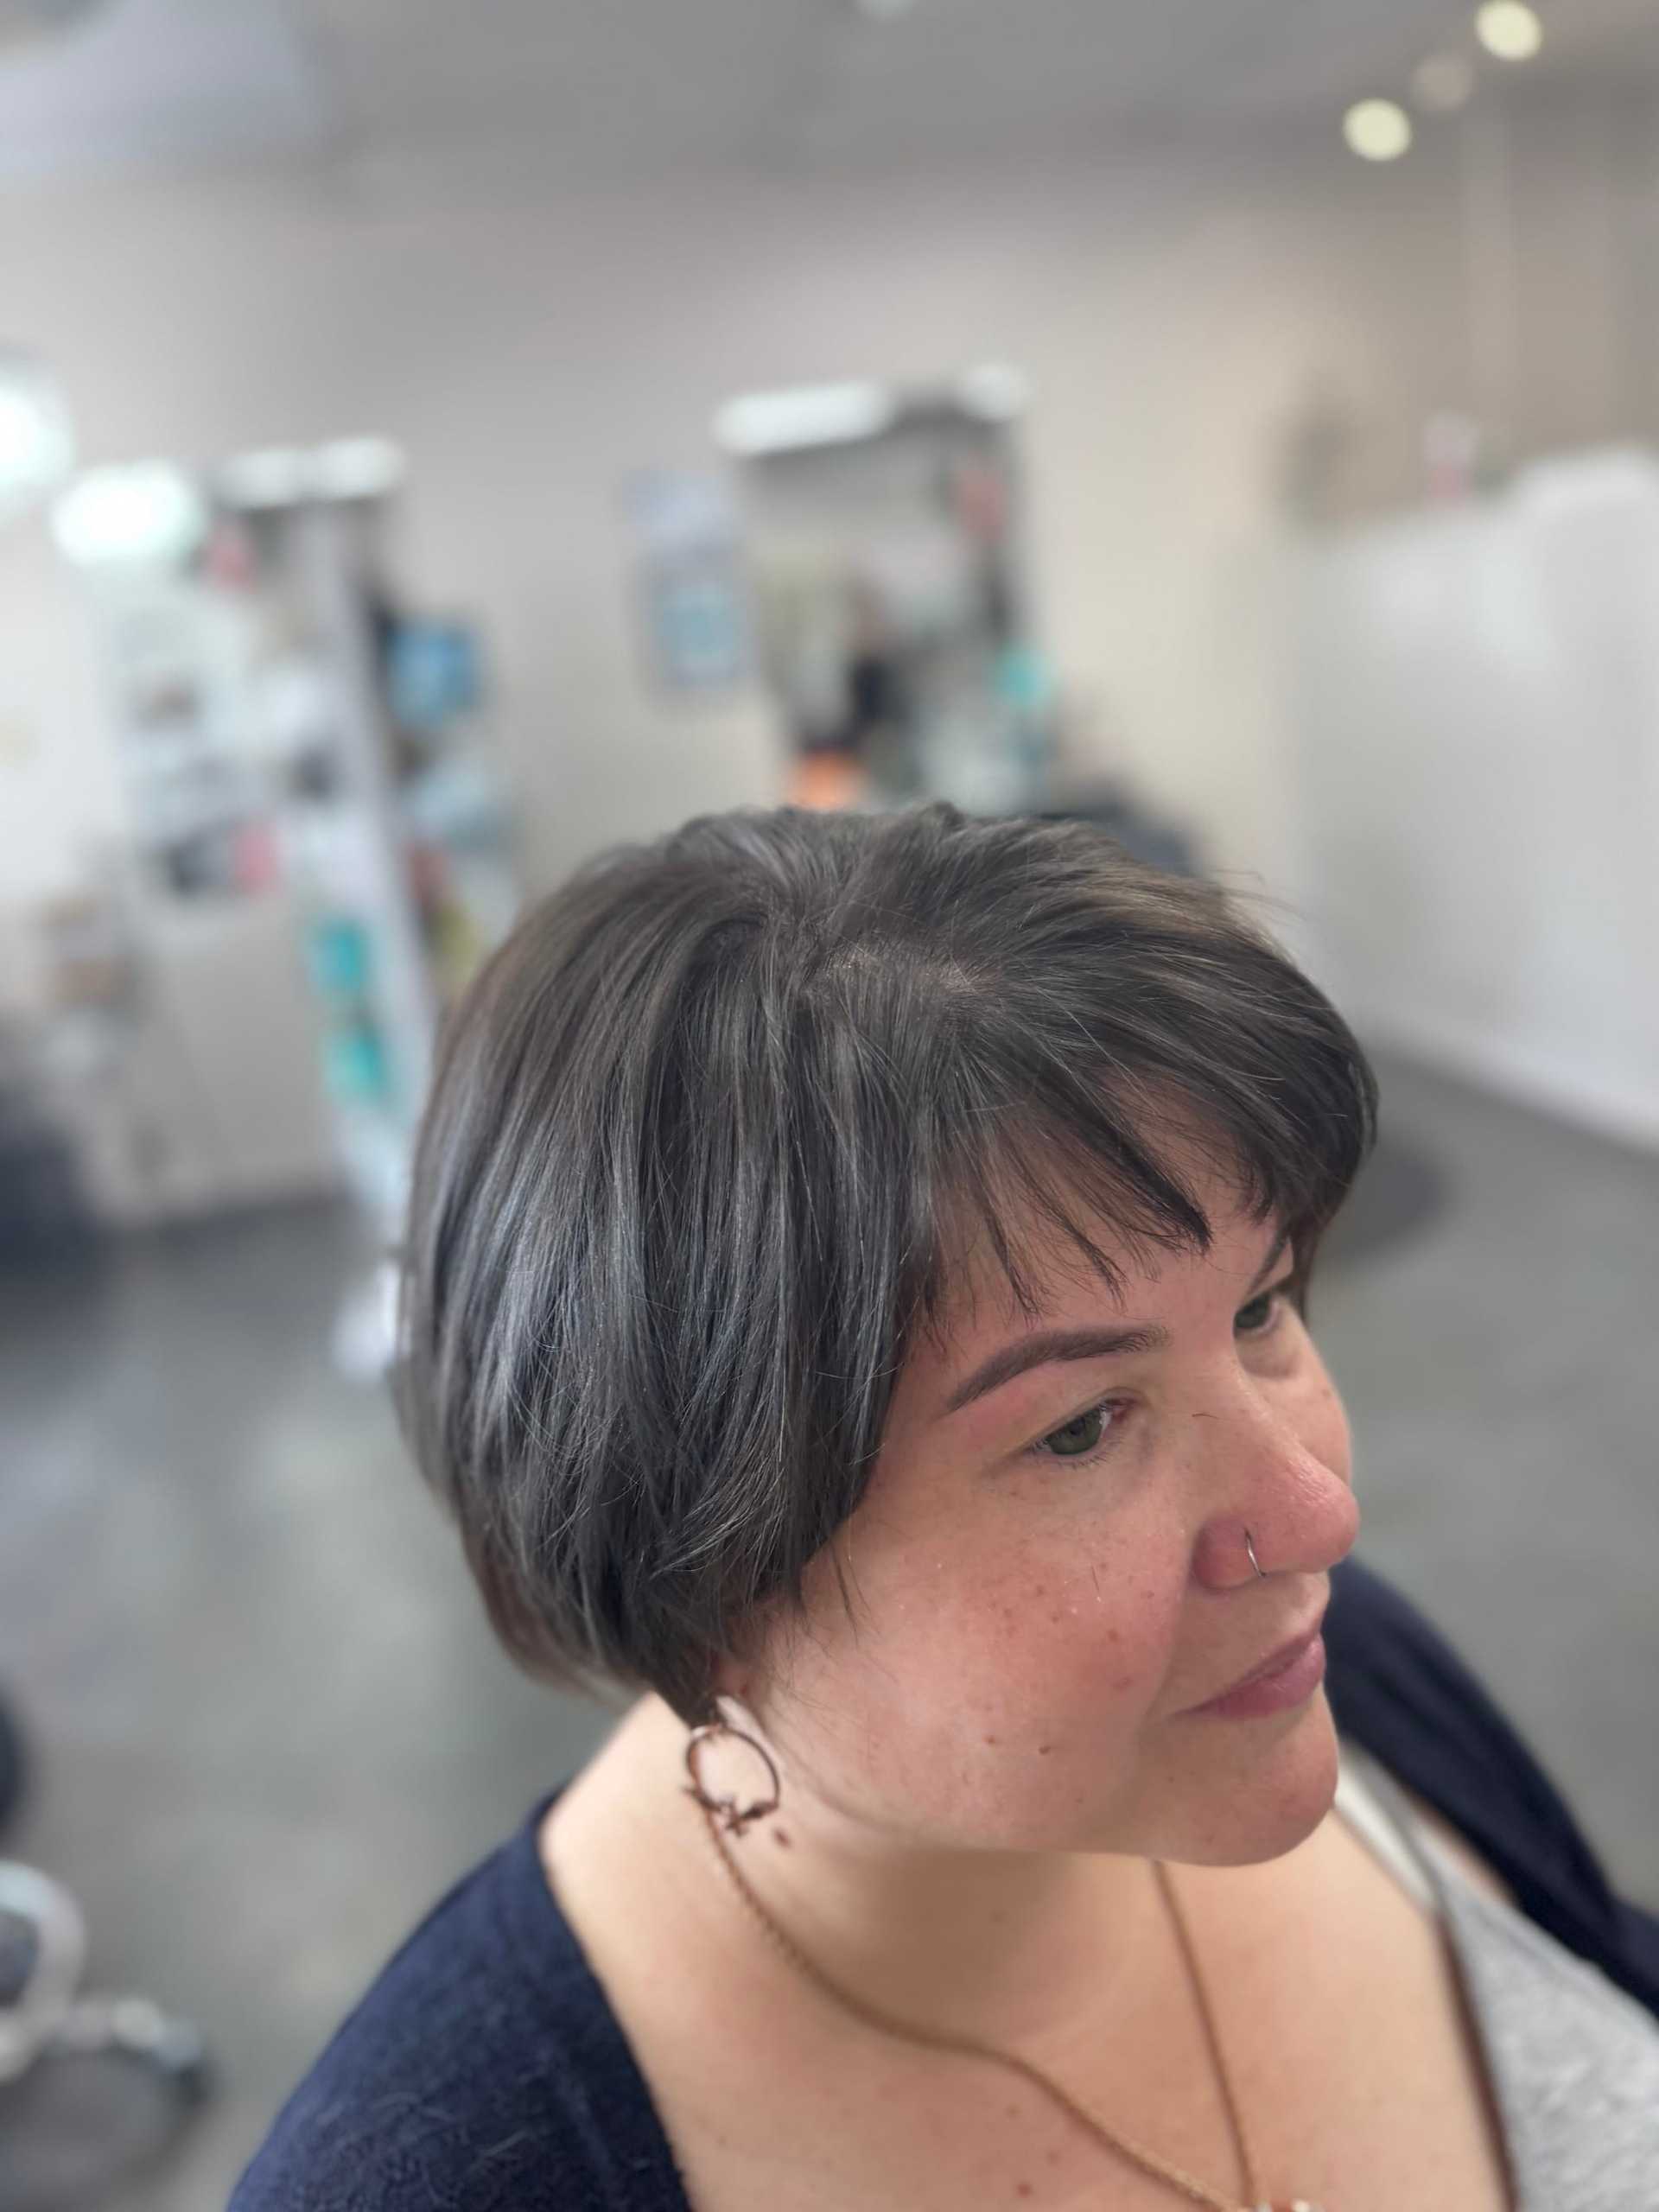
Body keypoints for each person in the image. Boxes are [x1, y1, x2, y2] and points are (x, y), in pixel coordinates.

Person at [233, 804, 1659, 2212]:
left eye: (1263, 1305)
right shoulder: (453, 2174)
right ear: (701, 1572)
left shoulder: (1356, 1681)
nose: (1316, 1516)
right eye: (1081, 1429)